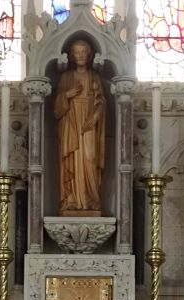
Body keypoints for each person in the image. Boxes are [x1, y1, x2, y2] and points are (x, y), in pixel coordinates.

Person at [54, 39, 105, 215]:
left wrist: (96, 115)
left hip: (89, 122)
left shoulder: (94, 76)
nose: (81, 55)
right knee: (73, 158)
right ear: (72, 56)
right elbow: (57, 108)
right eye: (77, 52)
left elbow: (101, 101)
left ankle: (91, 199)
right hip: (71, 123)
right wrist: (68, 95)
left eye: (84, 52)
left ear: (89, 55)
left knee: (90, 158)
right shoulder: (66, 77)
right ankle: (72, 200)